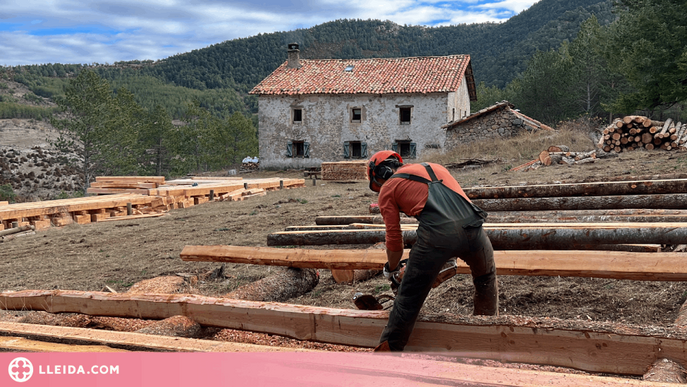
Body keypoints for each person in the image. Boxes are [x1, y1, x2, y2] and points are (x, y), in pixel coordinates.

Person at [367, 150, 499, 352]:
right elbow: (455, 213)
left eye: (378, 185)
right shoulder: (436, 168)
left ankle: (388, 353)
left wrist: (392, 268)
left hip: (437, 237)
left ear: (382, 173)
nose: (381, 189)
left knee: (408, 297)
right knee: (486, 280)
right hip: (475, 231)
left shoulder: (389, 187)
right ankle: (488, 341)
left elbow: (394, 241)